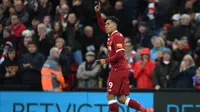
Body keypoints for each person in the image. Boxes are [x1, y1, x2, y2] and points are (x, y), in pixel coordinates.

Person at [95, 3, 154, 112]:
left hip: (118, 69)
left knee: (110, 96)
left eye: (108, 24)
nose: (105, 26)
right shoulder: (111, 35)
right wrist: (98, 14)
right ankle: (146, 110)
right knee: (122, 98)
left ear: (114, 25)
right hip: (121, 69)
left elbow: (121, 55)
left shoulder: (117, 37)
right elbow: (101, 25)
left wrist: (106, 60)